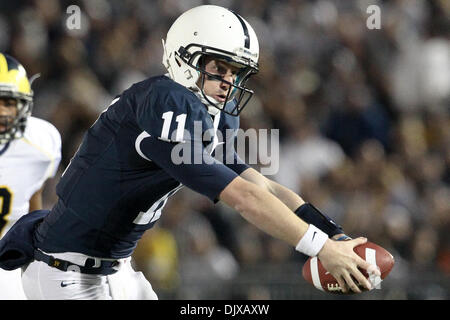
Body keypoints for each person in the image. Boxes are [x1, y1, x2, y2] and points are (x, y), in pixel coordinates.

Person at [0, 5, 379, 300]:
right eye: (219, 68)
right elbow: (245, 199)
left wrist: (333, 234)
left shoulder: (208, 114)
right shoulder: (164, 102)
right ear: (186, 58)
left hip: (116, 270)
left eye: (237, 73)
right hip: (67, 272)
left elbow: (262, 186)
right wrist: (319, 248)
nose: (229, 82)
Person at [0, 53, 62, 299]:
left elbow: (34, 195)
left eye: (9, 101)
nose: (2, 112)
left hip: (7, 264)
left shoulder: (40, 144)